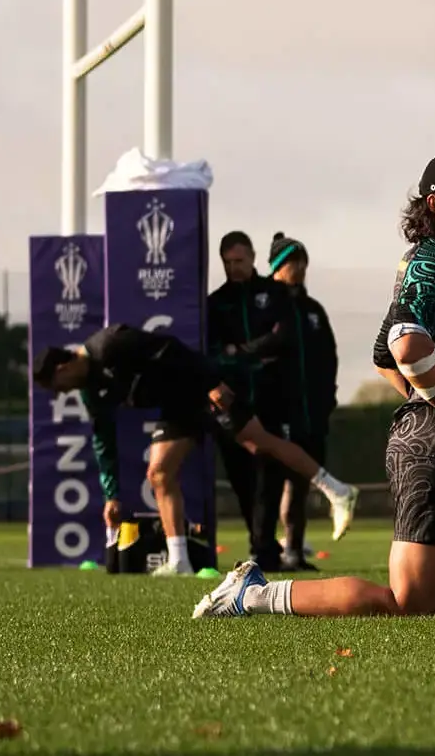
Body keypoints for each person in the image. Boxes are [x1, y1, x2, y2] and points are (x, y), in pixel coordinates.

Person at [192, 150, 435, 619]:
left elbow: (383, 352)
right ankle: (252, 594)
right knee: (408, 606)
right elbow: (405, 346)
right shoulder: (430, 267)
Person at [33, 322, 358, 578]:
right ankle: (179, 560)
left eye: (57, 386)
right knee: (159, 473)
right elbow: (103, 440)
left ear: (62, 368)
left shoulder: (110, 344)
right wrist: (112, 495)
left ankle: (338, 490)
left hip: (201, 389)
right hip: (177, 408)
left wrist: (212, 382)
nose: (61, 393)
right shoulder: (90, 391)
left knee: (261, 444)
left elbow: (173, 349)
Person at [208, 229, 296, 569]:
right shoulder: (216, 302)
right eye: (228, 263)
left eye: (239, 261)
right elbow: (214, 351)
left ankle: (264, 546)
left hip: (271, 398)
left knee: (269, 474)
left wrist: (241, 351)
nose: (234, 268)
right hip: (232, 404)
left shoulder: (275, 294)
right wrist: (249, 354)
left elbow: (282, 338)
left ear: (253, 258)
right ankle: (260, 543)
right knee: (241, 477)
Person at [258, 234, 339, 571]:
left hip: (312, 416)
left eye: (304, 263)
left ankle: (294, 549)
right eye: (294, 263)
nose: (301, 269)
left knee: (301, 484)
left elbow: (328, 356)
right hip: (275, 416)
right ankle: (263, 550)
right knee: (271, 485)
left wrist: (327, 398)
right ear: (278, 268)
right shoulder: (263, 306)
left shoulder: (312, 310)